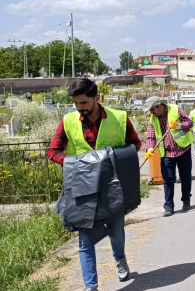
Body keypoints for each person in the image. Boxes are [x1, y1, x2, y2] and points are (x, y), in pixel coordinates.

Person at [47, 79, 141, 291]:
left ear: (97, 98)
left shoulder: (119, 118)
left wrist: (110, 159)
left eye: (84, 103)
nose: (80, 108)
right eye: (76, 103)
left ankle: (119, 258)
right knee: (85, 241)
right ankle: (91, 287)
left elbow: (135, 144)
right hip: (82, 188)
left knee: (116, 232)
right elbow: (53, 151)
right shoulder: (68, 121)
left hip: (112, 187)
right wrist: (79, 163)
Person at [143, 96, 194, 217]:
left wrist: (179, 126)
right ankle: (169, 206)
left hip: (183, 149)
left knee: (185, 177)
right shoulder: (153, 119)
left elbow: (189, 123)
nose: (151, 112)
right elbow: (150, 136)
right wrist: (150, 148)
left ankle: (186, 199)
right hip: (166, 154)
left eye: (153, 109)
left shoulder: (176, 110)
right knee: (168, 179)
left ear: (160, 106)